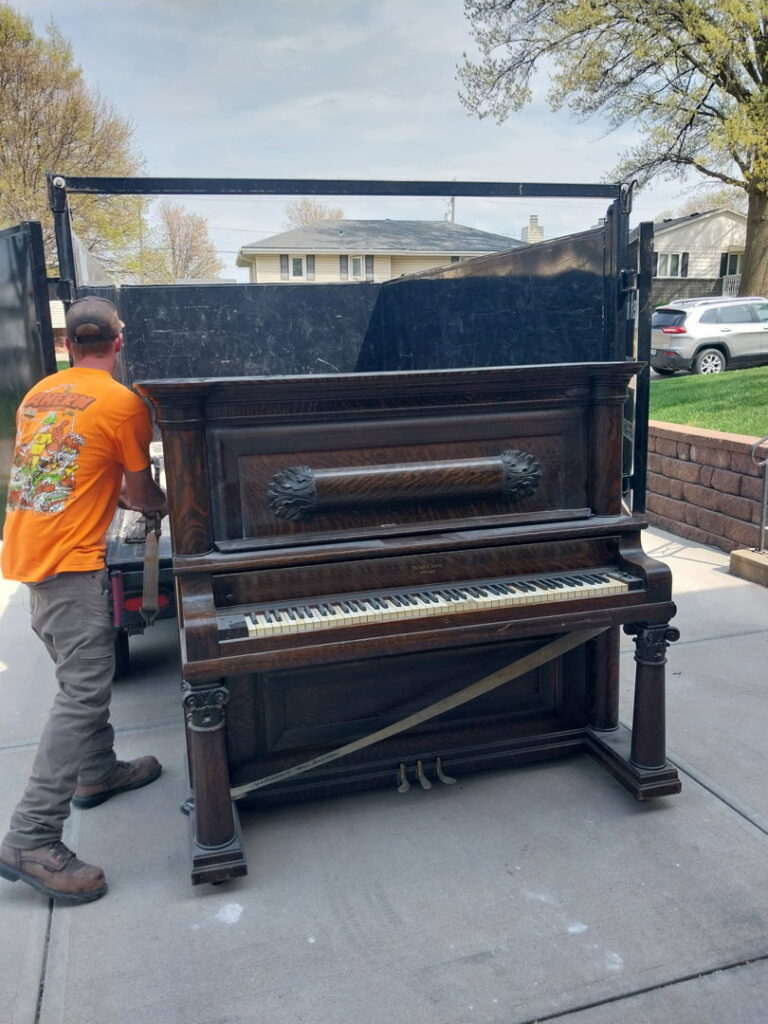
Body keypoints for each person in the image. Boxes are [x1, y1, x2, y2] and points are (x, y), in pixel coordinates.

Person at [0, 296, 168, 905]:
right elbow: (140, 492)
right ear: (119, 344)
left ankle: (97, 773)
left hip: (28, 558)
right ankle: (31, 837)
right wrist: (162, 506)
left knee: (80, 675)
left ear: (67, 344)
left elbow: (65, 474)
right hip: (70, 566)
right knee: (84, 690)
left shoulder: (38, 395)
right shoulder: (126, 405)